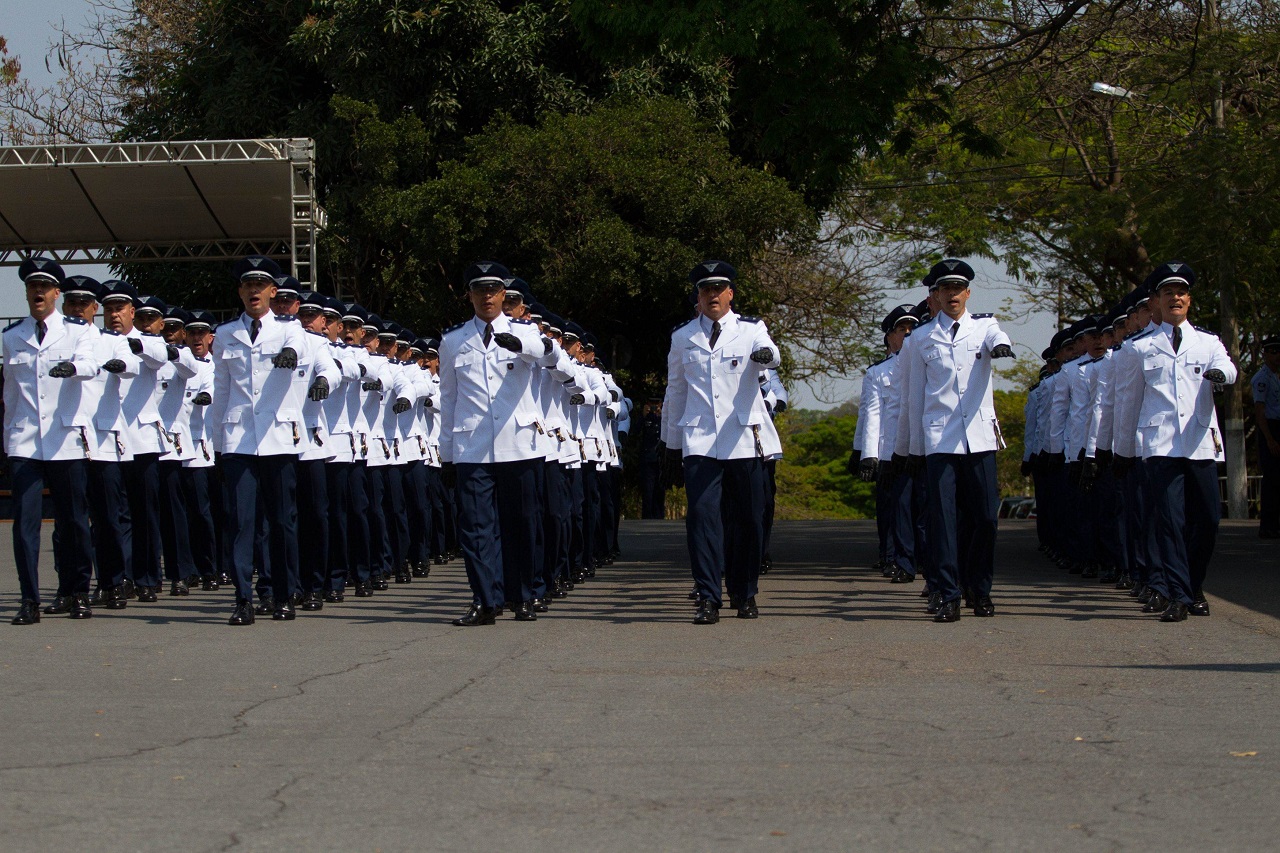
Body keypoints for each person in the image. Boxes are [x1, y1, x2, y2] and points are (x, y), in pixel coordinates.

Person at [439, 261, 563, 625]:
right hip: (472, 447)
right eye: (479, 290)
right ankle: (485, 600)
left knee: (521, 523)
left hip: (518, 442)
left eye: (493, 290)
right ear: (470, 295)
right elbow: (448, 398)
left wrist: (527, 343)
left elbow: (557, 359)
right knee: (476, 527)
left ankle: (523, 595)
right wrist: (446, 454)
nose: (487, 297)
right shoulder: (452, 340)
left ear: (503, 295)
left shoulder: (525, 332)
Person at [1112, 262, 1237, 621]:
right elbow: (1127, 403)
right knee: (1169, 521)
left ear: (1189, 300)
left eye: (1181, 292)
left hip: (1199, 442)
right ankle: (1180, 596)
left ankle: (1193, 583)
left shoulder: (1208, 342)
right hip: (1160, 445)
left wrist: (1219, 374)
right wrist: (1122, 451)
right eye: (1168, 293)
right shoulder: (1138, 348)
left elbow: (1228, 368)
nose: (1176, 298)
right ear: (1156, 302)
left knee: (1209, 520)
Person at [662, 260, 782, 624]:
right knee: (701, 518)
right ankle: (708, 596)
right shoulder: (683, 337)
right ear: (697, 296)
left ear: (730, 293)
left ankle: (744, 593)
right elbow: (676, 390)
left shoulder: (750, 329)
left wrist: (764, 356)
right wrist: (670, 444)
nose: (712, 296)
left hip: (743, 438)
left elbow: (771, 353)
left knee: (747, 519)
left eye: (718, 289)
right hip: (699, 439)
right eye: (705, 290)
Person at [895, 259, 1015, 622]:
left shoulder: (984, 327)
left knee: (985, 518)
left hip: (978, 436)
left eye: (958, 287)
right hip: (938, 439)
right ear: (934, 295)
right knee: (942, 520)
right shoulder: (919, 339)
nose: (953, 294)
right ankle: (947, 593)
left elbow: (998, 337)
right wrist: (911, 448)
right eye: (945, 288)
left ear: (968, 292)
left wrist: (1002, 347)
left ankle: (978, 588)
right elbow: (913, 397)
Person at [211, 255, 320, 625]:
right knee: (242, 522)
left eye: (261, 285)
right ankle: (243, 598)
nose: (253, 290)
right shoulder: (225, 334)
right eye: (247, 285)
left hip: (278, 437)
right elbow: (221, 390)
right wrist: (217, 444)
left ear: (273, 291)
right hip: (239, 438)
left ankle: (283, 594)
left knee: (282, 521)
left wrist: (289, 353)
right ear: (240, 291)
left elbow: (301, 350)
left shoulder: (290, 330)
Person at [3, 258, 100, 624]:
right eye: (32, 287)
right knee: (24, 523)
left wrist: (71, 367)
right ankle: (29, 599)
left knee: (74, 521)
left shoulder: (78, 331)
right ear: (27, 292)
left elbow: (91, 364)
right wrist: (9, 437)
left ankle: (77, 591)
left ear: (57, 293)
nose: (38, 292)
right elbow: (11, 393)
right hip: (26, 442)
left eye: (45, 287)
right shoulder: (12, 336)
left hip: (65, 439)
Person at [1251, 335, 1280, 539]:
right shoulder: (1262, 378)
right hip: (1270, 427)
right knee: (1272, 479)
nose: (1277, 356)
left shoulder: (1277, 376)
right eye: (1273, 352)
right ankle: (1268, 525)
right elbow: (1260, 411)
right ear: (1265, 354)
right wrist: (1269, 438)